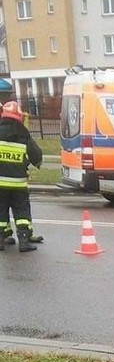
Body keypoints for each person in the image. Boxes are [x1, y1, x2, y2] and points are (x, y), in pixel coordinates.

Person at [0, 101, 42, 252]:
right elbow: (36, 155)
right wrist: (36, 163)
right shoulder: (23, 133)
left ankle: (1, 239)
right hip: (18, 184)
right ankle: (24, 240)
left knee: (1, 209)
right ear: (19, 116)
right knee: (21, 210)